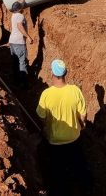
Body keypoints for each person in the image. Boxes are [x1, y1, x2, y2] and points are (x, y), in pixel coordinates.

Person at [36, 59, 90, 193]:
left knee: (58, 170)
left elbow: (41, 117)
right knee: (77, 164)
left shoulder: (46, 95)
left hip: (55, 141)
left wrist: (45, 128)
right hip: (74, 137)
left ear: (52, 74)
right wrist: (82, 126)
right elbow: (83, 115)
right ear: (65, 73)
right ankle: (83, 187)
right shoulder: (75, 91)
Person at [8, 0, 33, 88]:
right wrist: (28, 37)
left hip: (12, 42)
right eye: (22, 6)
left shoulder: (13, 15)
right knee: (22, 62)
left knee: (15, 62)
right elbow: (20, 26)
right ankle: (24, 84)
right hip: (19, 42)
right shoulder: (20, 16)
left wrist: (20, 1)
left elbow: (17, 5)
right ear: (19, 9)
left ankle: (16, 81)